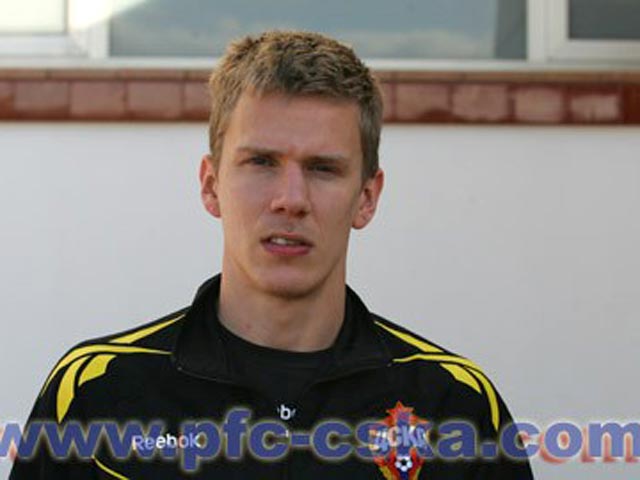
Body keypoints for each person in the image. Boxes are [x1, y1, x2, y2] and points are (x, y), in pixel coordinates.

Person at [10, 30, 534, 479]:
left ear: (366, 198)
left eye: (323, 168)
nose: (291, 199)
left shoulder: (455, 406)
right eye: (261, 162)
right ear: (211, 185)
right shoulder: (96, 392)